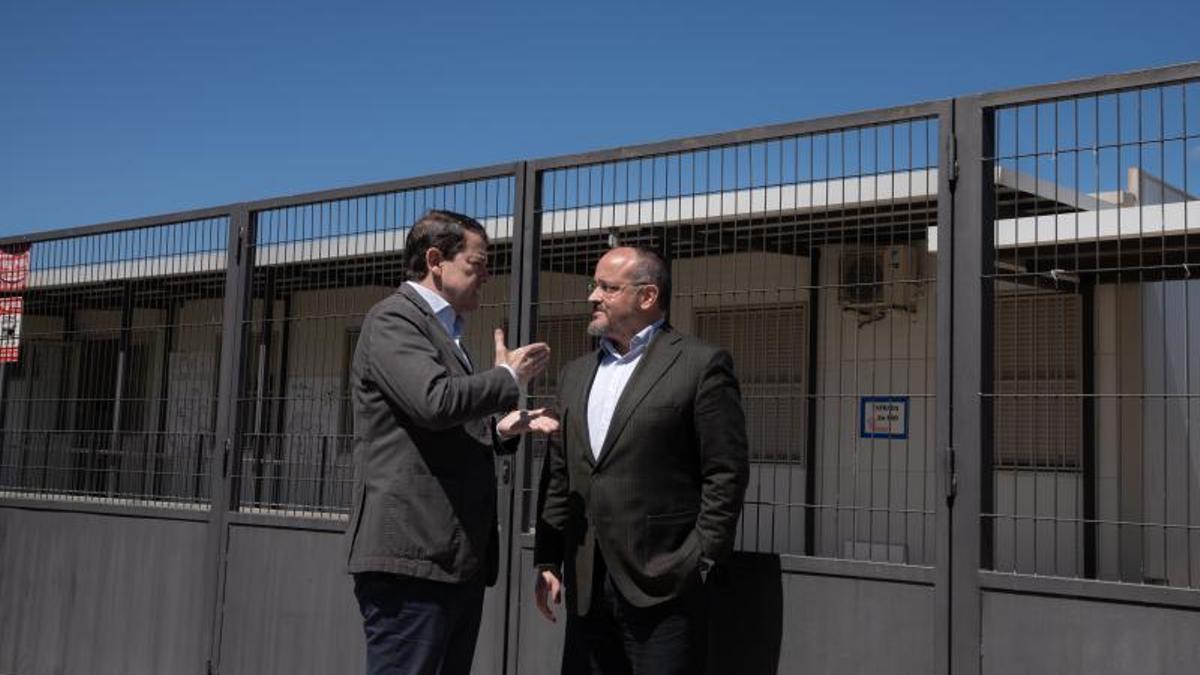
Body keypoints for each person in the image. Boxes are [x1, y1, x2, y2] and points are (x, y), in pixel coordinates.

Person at [345, 209, 558, 675]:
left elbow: (438, 427)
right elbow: (435, 402)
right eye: (477, 264)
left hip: (450, 558)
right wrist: (506, 376)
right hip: (411, 558)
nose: (486, 275)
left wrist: (501, 430)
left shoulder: (447, 333)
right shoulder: (394, 320)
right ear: (436, 260)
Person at [533, 247, 749, 674]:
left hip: (664, 586)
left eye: (607, 288)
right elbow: (560, 473)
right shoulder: (574, 374)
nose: (593, 296)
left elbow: (726, 471)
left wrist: (698, 561)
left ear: (647, 297)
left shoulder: (699, 365)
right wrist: (547, 560)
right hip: (585, 585)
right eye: (593, 285)